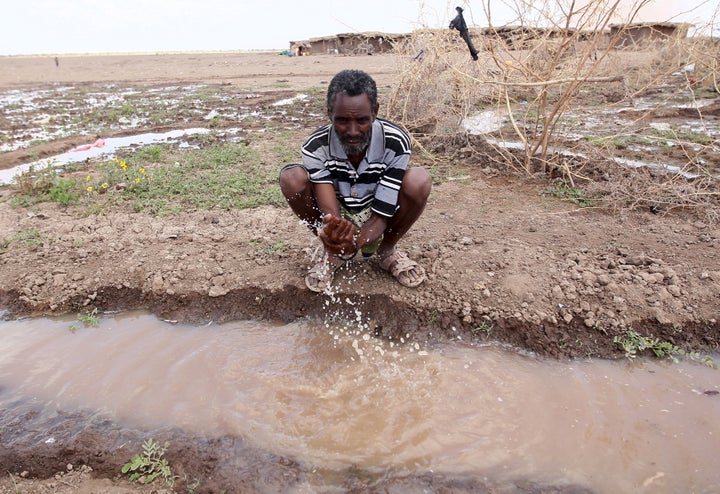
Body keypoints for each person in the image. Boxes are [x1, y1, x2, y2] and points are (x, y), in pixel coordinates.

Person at [279, 69, 431, 293]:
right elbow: (330, 214)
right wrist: (337, 237)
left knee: (419, 180)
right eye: (341, 120)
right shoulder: (315, 146)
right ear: (329, 113)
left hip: (380, 209)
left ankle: (387, 251)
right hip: (339, 208)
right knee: (291, 178)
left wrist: (356, 244)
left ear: (375, 111)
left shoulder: (395, 141)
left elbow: (381, 215)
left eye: (362, 120)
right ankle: (333, 253)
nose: (352, 131)